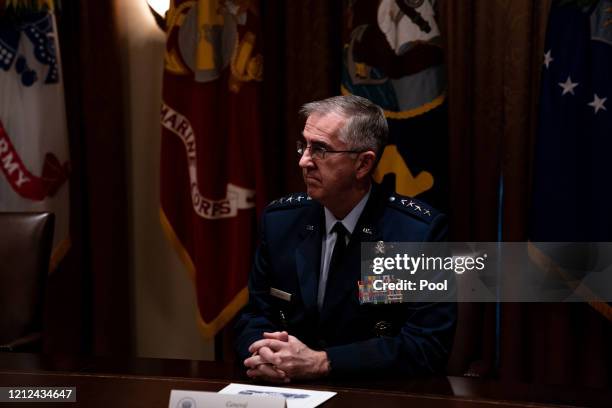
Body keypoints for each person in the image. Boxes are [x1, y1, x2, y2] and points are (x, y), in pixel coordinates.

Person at [235, 95, 456, 382]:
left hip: (373, 396)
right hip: (287, 389)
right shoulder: (281, 221)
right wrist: (263, 354)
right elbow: (253, 316)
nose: (304, 161)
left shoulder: (415, 234)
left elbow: (427, 346)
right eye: (304, 146)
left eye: (321, 150)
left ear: (363, 164)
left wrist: (324, 362)